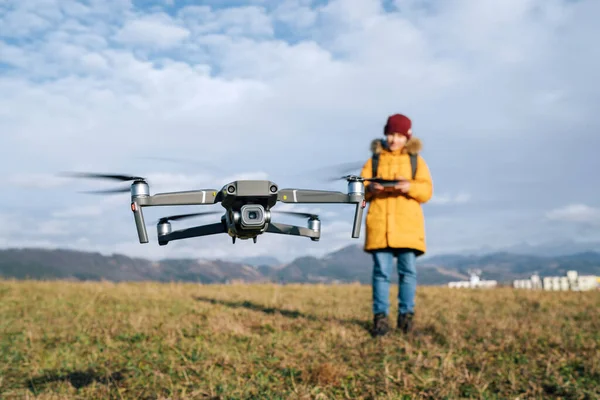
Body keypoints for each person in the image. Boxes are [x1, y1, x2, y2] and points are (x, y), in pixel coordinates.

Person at [360, 113, 433, 337]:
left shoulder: (416, 161)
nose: (394, 139)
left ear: (407, 137)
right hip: (380, 225)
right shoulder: (373, 160)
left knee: (407, 273)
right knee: (381, 273)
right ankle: (380, 320)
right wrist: (371, 188)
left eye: (399, 135)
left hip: (408, 227)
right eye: (391, 134)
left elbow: (427, 191)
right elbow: (361, 188)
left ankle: (406, 319)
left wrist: (408, 187)